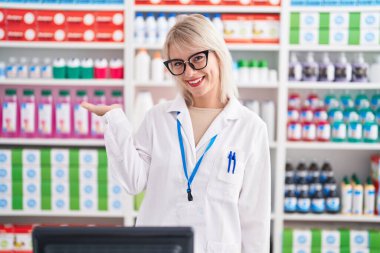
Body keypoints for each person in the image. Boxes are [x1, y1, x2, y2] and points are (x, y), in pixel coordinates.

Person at [82, 14, 271, 253]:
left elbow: (255, 219)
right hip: (158, 247)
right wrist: (115, 121)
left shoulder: (251, 128)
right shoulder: (157, 118)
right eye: (178, 63)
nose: (189, 72)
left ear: (218, 54)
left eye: (198, 59)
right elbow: (132, 182)